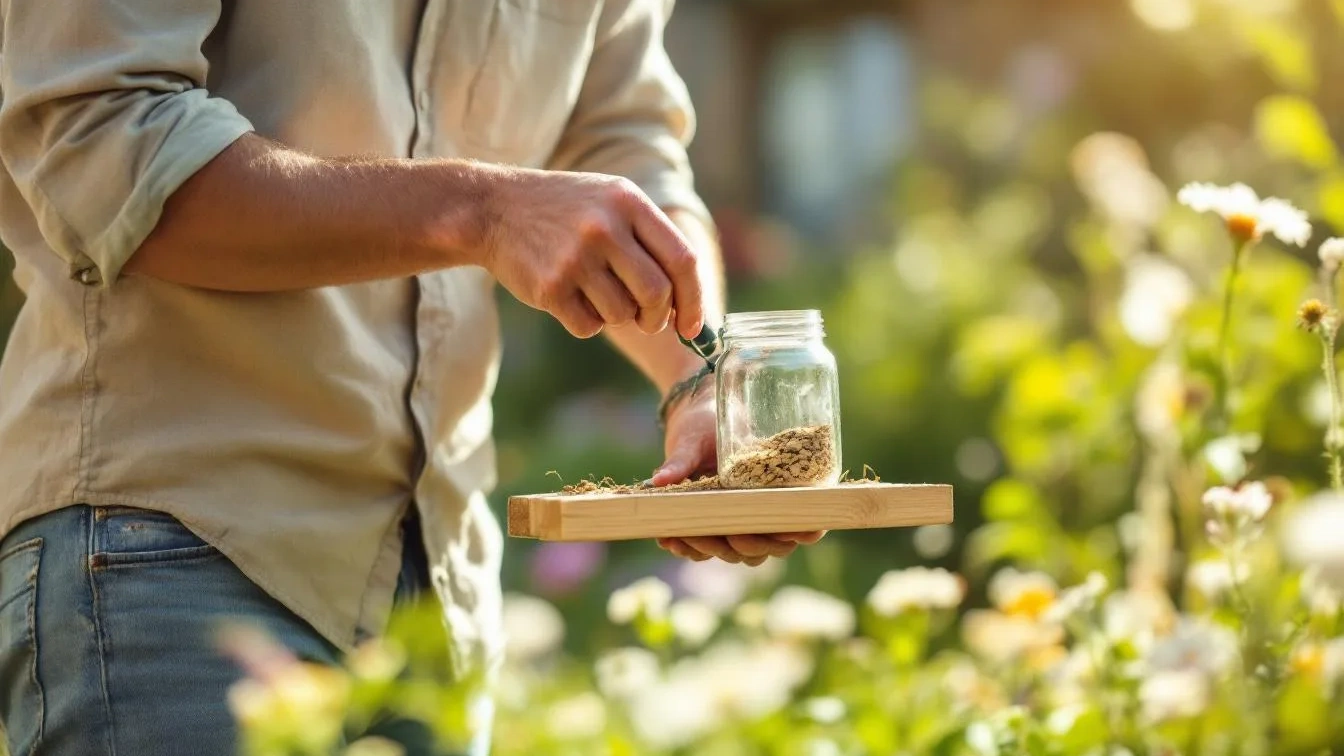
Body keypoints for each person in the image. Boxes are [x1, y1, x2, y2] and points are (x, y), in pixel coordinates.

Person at [0, 1, 825, 754]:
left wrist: (700, 386)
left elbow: (627, 149)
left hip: (439, 588)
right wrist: (483, 211)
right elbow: (108, 140)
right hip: (171, 546)